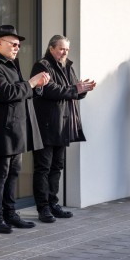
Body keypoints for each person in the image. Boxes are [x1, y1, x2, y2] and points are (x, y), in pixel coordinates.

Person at [0, 24, 50, 234]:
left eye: (19, 44)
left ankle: (10, 213)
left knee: (13, 172)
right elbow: (6, 93)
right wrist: (31, 83)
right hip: (3, 128)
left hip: (16, 127)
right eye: (14, 43)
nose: (18, 47)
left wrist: (37, 87)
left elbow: (21, 93)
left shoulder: (11, 63)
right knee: (1, 173)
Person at [30, 35, 96, 223]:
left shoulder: (68, 66)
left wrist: (83, 90)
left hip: (64, 125)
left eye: (67, 49)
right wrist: (75, 89)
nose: (65, 52)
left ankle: (53, 204)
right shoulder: (42, 65)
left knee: (57, 167)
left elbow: (72, 92)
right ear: (51, 48)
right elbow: (51, 90)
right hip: (47, 125)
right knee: (43, 167)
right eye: (61, 49)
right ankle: (43, 208)